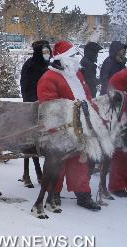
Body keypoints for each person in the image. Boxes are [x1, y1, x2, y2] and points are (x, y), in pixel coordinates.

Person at [37, 41, 100, 211]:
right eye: (72, 56)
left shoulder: (76, 74)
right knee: (58, 162)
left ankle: (83, 193)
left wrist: (93, 115)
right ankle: (53, 192)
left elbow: (86, 96)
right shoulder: (49, 78)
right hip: (61, 128)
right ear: (63, 58)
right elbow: (49, 107)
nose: (76, 58)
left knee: (80, 160)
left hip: (81, 126)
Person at [20, 40, 51, 181]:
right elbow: (25, 86)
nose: (47, 54)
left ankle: (44, 172)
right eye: (44, 52)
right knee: (32, 141)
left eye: (48, 51)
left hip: (49, 108)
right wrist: (33, 103)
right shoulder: (30, 65)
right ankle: (33, 172)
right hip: (34, 107)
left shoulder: (49, 65)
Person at [108, 69, 127, 197]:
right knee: (121, 154)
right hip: (122, 120)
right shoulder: (121, 76)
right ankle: (116, 186)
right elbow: (115, 97)